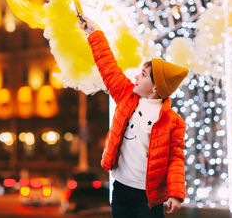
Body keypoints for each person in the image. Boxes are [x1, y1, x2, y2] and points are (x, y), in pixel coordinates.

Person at [78, 16, 189, 218]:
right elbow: (108, 67)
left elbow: (175, 159)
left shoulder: (173, 122)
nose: (137, 77)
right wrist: (92, 32)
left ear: (156, 88)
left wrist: (176, 194)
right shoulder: (126, 96)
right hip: (120, 189)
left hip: (148, 198)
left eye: (143, 75)